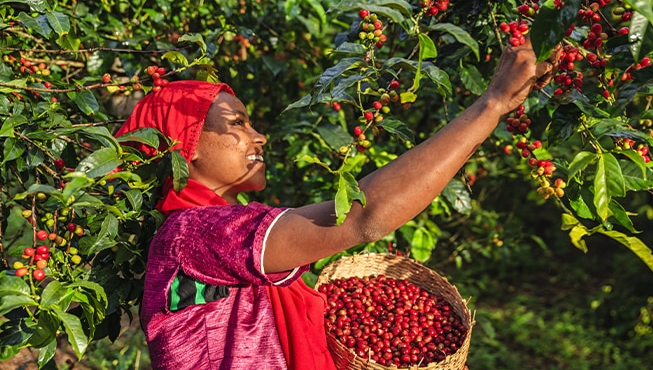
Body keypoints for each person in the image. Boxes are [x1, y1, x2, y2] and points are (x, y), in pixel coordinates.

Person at [114, 36, 558, 370]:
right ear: (183, 146)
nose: (258, 136)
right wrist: (492, 103)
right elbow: (365, 217)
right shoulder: (193, 232)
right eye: (238, 123)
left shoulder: (214, 230)